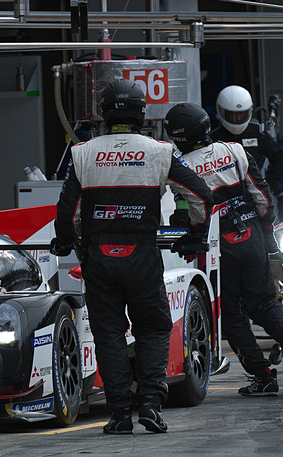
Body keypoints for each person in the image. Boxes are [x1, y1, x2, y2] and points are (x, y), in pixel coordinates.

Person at [52, 79, 214, 435]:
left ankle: (120, 414)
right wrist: (193, 236)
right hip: (142, 254)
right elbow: (201, 195)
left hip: (98, 257)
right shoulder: (161, 151)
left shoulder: (82, 153)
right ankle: (152, 406)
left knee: (108, 335)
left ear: (104, 115)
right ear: (142, 113)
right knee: (154, 328)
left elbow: (67, 212)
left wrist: (64, 242)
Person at [164, 102, 283, 397]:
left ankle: (263, 376)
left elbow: (188, 213)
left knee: (229, 315)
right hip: (251, 236)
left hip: (217, 247)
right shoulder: (234, 150)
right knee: (264, 303)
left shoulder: (181, 167)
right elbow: (262, 197)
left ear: (178, 135)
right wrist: (266, 233)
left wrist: (187, 237)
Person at [210, 85, 283, 191]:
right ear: (221, 111)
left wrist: (268, 186)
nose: (237, 118)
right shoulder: (213, 137)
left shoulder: (257, 131)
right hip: (225, 194)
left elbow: (280, 157)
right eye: (232, 114)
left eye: (241, 114)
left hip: (253, 192)